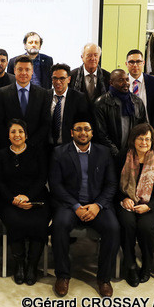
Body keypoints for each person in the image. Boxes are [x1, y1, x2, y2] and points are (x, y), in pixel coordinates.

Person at [49, 118, 119, 297]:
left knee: (113, 228)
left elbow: (111, 184)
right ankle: (63, 276)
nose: (83, 133)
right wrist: (75, 206)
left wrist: (98, 205)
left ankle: (104, 279)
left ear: (92, 132)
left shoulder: (103, 152)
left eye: (87, 129)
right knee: (59, 226)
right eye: (78, 129)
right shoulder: (60, 152)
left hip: (97, 204)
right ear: (72, 132)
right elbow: (55, 185)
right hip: (70, 204)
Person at [0, 119, 50, 286]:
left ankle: (32, 266)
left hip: (37, 197)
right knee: (15, 221)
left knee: (40, 222)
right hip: (8, 200)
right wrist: (14, 199)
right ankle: (19, 265)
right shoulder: (1, 154)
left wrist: (28, 197)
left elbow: (42, 178)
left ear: (26, 135)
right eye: (13, 132)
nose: (17, 135)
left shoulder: (37, 151)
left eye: (20, 131)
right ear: (8, 135)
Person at [114, 123, 154, 287]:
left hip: (152, 204)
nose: (144, 142)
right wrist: (123, 198)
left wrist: (149, 206)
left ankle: (146, 265)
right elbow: (113, 183)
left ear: (152, 141)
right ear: (133, 139)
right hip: (127, 201)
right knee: (128, 223)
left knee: (145, 226)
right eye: (140, 138)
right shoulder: (123, 156)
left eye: (147, 139)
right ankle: (129, 264)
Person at [0, 55, 51, 151]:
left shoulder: (43, 93)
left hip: (35, 149)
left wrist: (30, 143)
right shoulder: (2, 93)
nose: (23, 73)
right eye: (20, 69)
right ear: (14, 71)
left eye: (27, 69)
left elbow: (46, 123)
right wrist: (13, 142)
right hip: (9, 148)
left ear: (32, 71)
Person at [94, 69, 148, 156]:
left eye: (127, 79)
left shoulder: (137, 102)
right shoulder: (101, 103)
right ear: (111, 83)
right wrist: (118, 154)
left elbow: (143, 127)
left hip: (133, 153)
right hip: (110, 155)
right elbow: (101, 135)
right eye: (121, 80)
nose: (125, 83)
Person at [48, 63, 89, 149]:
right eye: (55, 78)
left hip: (69, 147)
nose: (58, 82)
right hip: (46, 147)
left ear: (69, 79)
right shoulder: (45, 95)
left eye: (62, 78)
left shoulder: (79, 98)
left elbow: (82, 123)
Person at [124, 49, 154, 120]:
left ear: (143, 63)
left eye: (138, 62)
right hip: (128, 126)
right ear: (126, 64)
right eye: (131, 62)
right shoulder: (121, 83)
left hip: (148, 126)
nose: (135, 65)